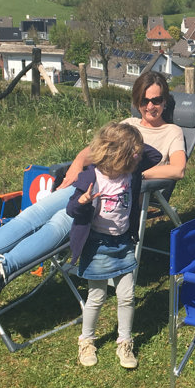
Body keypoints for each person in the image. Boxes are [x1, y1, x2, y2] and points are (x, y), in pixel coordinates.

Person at [0, 71, 187, 294]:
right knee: (33, 213)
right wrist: (76, 167)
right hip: (89, 182)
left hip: (115, 198)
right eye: (144, 101)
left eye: (156, 100)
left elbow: (177, 169)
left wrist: (134, 175)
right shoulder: (127, 124)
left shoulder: (171, 132)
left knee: (61, 221)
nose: (150, 106)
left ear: (165, 101)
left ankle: (0, 269)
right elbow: (91, 150)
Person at [67, 122, 161, 369]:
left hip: (122, 242)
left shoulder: (130, 173)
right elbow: (71, 209)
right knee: (97, 296)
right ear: (116, 153)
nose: (137, 156)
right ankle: (86, 340)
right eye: (132, 152)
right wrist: (84, 201)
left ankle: (125, 342)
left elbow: (155, 155)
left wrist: (131, 138)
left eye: (136, 153)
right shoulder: (91, 176)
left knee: (127, 296)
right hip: (96, 244)